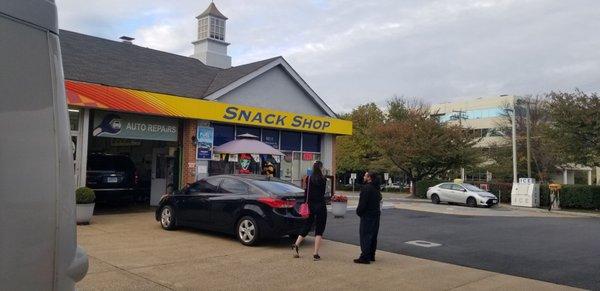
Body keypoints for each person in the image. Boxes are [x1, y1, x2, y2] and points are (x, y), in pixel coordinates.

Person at [292, 161, 327, 261]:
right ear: (320, 168)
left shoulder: (309, 178)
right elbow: (323, 193)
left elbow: (306, 192)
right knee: (319, 228)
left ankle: (296, 244)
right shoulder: (323, 179)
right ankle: (315, 253)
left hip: (310, 205)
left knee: (307, 225)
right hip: (320, 205)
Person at [354, 171, 382, 264]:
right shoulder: (376, 189)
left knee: (365, 235)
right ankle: (371, 255)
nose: (364, 177)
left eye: (365, 176)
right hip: (376, 215)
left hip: (367, 215)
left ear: (369, 178)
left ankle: (365, 257)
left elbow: (363, 203)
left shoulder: (366, 188)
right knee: (373, 236)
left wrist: (359, 212)